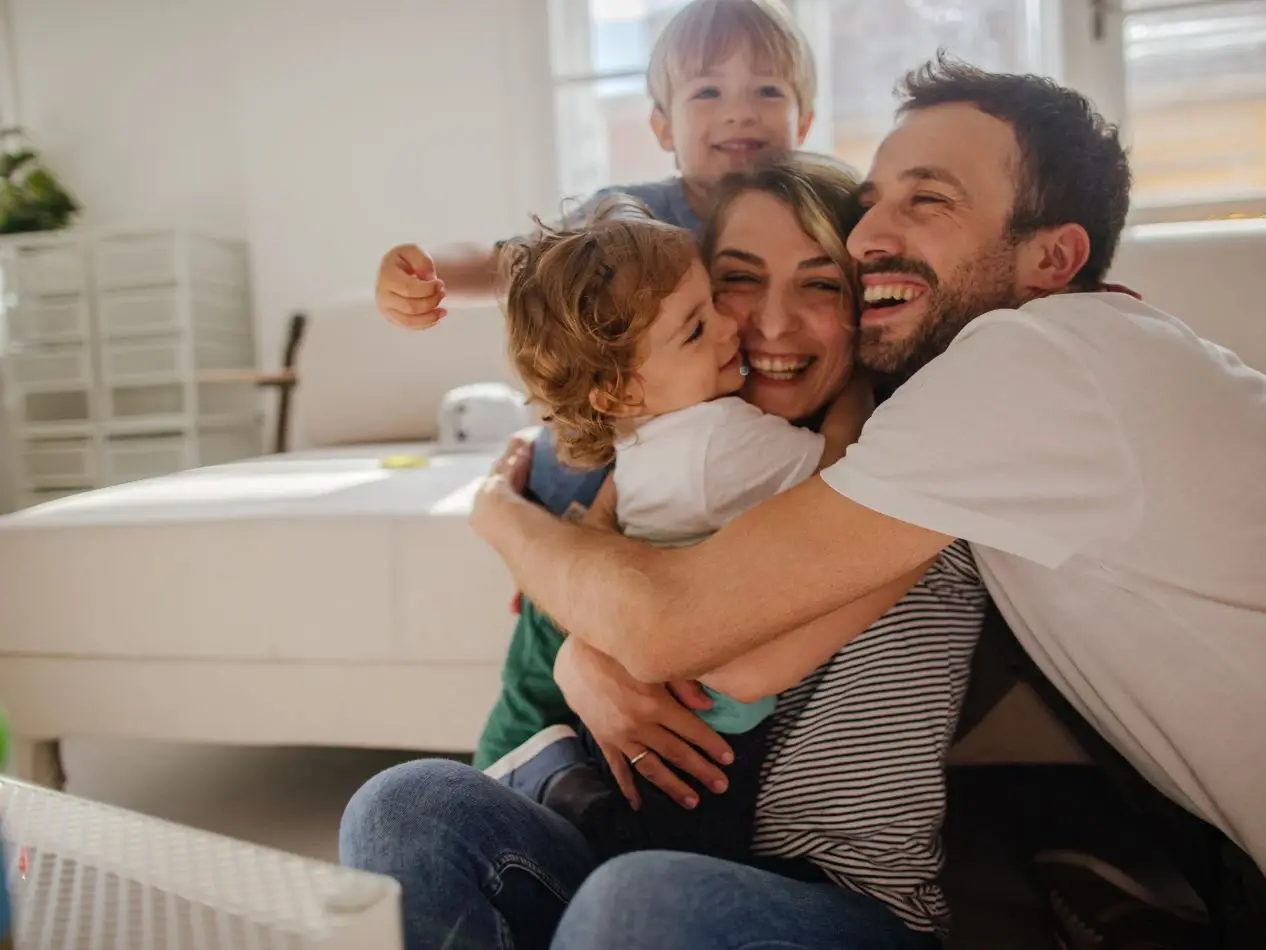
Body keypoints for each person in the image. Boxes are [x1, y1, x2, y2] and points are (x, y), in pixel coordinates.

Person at [467, 56, 1266, 950]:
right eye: (871, 203)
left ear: (1052, 258)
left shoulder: (1030, 364)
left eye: (929, 200)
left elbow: (688, 634)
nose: (870, 235)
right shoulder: (1006, 400)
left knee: (638, 904)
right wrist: (589, 643)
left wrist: (500, 517)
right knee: (416, 806)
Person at [342, 155, 984, 950]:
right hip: (638, 848)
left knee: (635, 903)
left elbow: (704, 643)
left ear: (868, 301)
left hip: (840, 905)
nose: (765, 326)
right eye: (732, 284)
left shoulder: (915, 463)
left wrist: (517, 534)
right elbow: (610, 579)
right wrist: (568, 624)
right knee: (402, 803)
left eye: (821, 284)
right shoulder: (669, 456)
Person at [370, 0, 820, 767]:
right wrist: (431, 274)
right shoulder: (632, 219)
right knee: (559, 481)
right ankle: (525, 739)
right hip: (599, 479)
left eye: (768, 92)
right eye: (707, 92)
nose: (739, 111)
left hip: (707, 501)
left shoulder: (817, 210)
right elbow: (516, 261)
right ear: (660, 127)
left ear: (805, 120)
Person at [483, 191, 895, 865]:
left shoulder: (639, 435)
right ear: (618, 391)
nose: (739, 329)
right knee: (688, 837)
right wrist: (858, 393)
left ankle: (534, 772)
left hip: (662, 682)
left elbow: (596, 521)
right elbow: (836, 466)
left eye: (820, 283)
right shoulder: (720, 437)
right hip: (706, 721)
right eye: (702, 324)